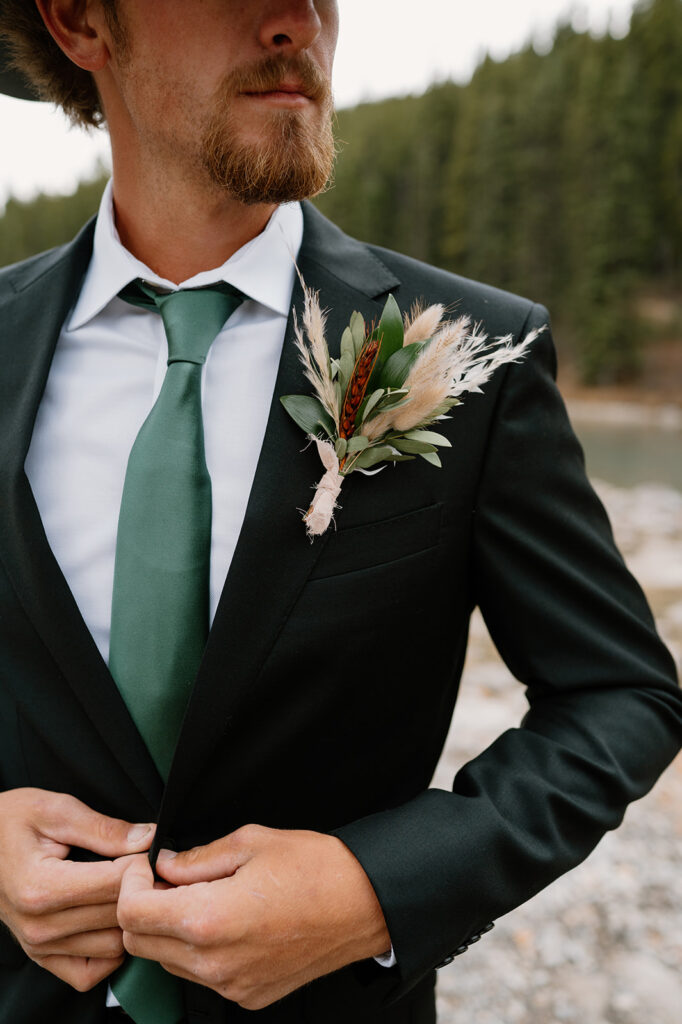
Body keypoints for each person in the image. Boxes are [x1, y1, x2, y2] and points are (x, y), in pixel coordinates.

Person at [0, 3, 680, 1024]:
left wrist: (374, 889)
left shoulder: (471, 354)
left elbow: (621, 693)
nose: (294, 22)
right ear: (82, 21)